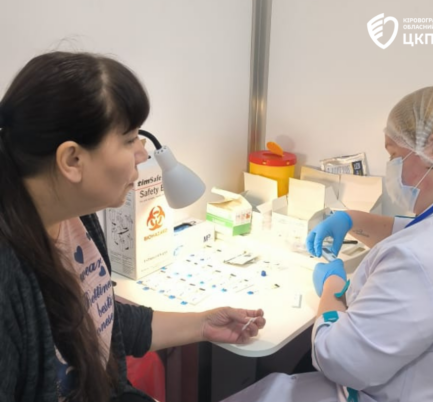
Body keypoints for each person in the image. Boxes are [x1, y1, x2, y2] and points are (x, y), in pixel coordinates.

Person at [0, 51, 265, 402]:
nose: (142, 153)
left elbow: (98, 318)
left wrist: (202, 324)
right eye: (128, 140)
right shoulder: (8, 278)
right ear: (72, 160)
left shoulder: (74, 216)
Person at [222, 85, 433, 402]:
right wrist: (352, 219)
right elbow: (418, 230)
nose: (394, 170)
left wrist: (332, 290)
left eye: (395, 156)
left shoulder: (421, 257)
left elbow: (339, 360)